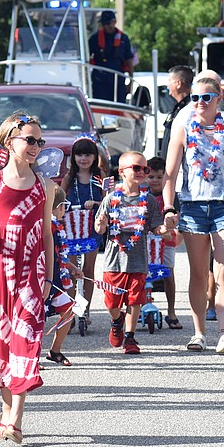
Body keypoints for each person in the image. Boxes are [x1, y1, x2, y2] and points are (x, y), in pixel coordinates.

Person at [0, 113, 55, 445]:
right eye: (29, 140)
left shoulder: (45, 186)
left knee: (26, 344)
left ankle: (16, 419)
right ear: (10, 142)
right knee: (3, 347)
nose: (35, 147)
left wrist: (49, 275)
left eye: (39, 141)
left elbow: (47, 235)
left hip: (31, 277)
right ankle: (6, 416)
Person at [162, 77, 224, 354]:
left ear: (218, 100)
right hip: (192, 206)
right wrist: (169, 207)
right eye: (195, 98)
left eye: (206, 97)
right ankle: (199, 333)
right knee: (199, 273)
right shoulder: (183, 130)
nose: (200, 103)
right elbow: (169, 174)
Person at [95, 151, 172, 355]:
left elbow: (156, 228)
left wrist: (166, 229)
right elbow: (99, 228)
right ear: (121, 171)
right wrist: (101, 224)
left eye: (144, 169)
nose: (141, 172)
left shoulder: (149, 201)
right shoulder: (112, 199)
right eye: (136, 168)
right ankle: (116, 320)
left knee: (135, 300)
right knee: (111, 302)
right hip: (114, 261)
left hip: (138, 260)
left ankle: (130, 337)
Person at [60, 133, 105, 327]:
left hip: (92, 228)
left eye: (88, 154)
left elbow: (108, 201)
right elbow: (59, 202)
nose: (83, 159)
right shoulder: (68, 178)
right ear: (73, 158)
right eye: (79, 155)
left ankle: (85, 310)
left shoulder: (100, 176)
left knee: (88, 269)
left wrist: (95, 203)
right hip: (71, 229)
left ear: (95, 156)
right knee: (71, 269)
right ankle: (71, 310)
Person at [43, 185, 83, 366]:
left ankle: (55, 350)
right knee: (35, 319)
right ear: (60, 207)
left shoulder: (55, 225)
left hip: (57, 278)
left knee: (68, 310)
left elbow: (58, 253)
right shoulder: (46, 225)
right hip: (42, 279)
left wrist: (72, 266)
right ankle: (30, 357)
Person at [146, 156, 183, 329]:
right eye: (151, 176)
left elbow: (178, 217)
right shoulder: (143, 194)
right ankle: (139, 307)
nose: (155, 180)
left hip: (167, 242)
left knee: (168, 274)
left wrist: (173, 232)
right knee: (140, 276)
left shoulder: (171, 196)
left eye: (159, 177)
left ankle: (171, 310)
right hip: (146, 241)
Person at [88, 10, 134, 102]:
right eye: (104, 24)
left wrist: (131, 81)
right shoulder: (94, 39)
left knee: (119, 105)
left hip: (118, 81)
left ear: (114, 22)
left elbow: (129, 61)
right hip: (100, 81)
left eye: (108, 23)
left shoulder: (123, 39)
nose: (106, 26)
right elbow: (87, 58)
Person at [159, 65, 194, 158]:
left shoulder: (190, 110)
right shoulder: (177, 108)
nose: (167, 85)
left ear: (178, 83)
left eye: (170, 81)